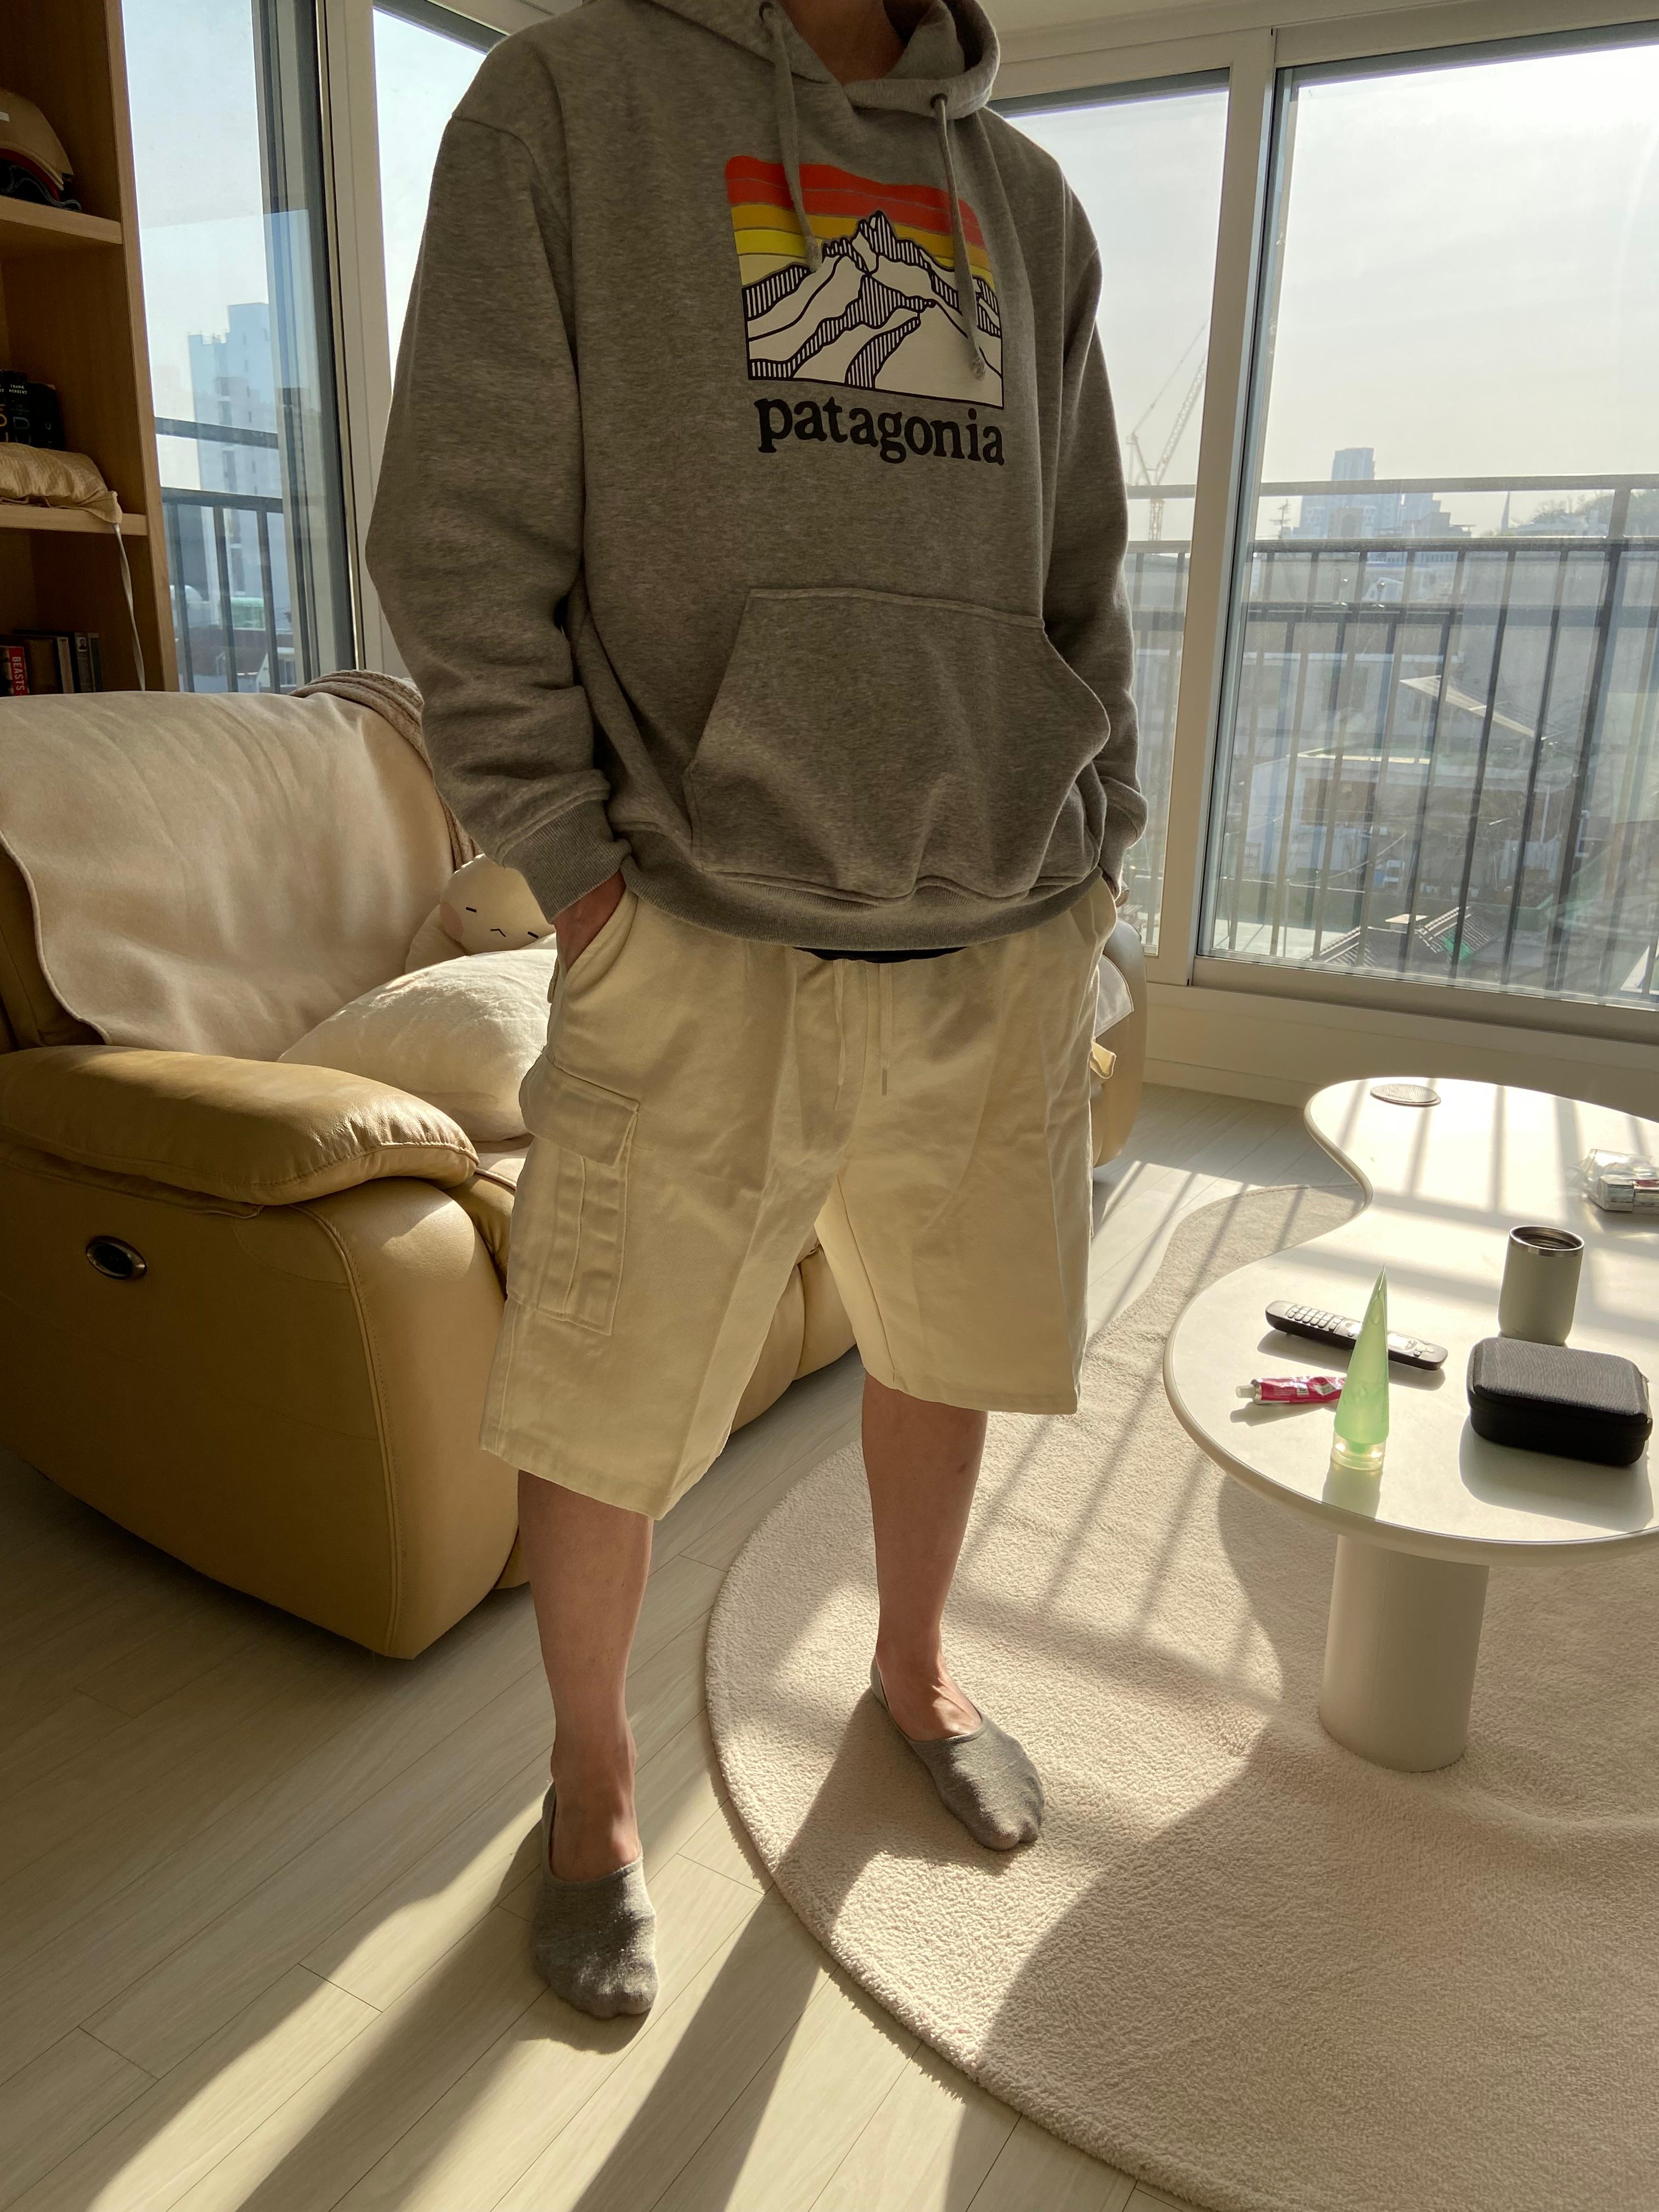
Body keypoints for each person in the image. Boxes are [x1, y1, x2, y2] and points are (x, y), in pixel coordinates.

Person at [368, 0, 1144, 2021]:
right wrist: (579, 876)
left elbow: (1085, 575)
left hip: (1002, 924)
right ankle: (594, 1785)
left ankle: (913, 1670)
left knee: (947, 1340)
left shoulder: (1029, 202)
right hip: (690, 931)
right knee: (605, 1403)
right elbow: (456, 538)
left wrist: (1099, 846)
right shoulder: (565, 104)